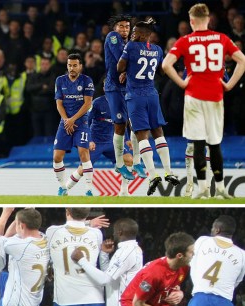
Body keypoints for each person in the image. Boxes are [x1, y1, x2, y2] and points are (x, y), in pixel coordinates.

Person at [162, 3, 245, 199]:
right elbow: (242, 60)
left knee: (198, 144)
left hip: (193, 97)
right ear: (208, 19)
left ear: (191, 21)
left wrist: (182, 83)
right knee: (214, 144)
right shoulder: (222, 38)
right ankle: (221, 188)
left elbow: (166, 64)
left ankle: (202, 189)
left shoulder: (185, 41)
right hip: (215, 96)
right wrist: (230, 84)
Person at [117, 20, 180, 196]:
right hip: (152, 94)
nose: (132, 34)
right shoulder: (158, 50)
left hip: (135, 96)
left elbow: (119, 67)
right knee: (158, 132)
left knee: (142, 135)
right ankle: (169, 171)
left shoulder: (130, 47)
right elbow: (161, 71)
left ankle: (153, 175)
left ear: (145, 34)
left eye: (135, 32)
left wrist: (126, 69)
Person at [65, 92, 134, 196]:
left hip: (112, 142)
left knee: (129, 160)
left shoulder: (121, 103)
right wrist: (90, 140)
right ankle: (64, 189)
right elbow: (85, 122)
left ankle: (124, 191)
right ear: (104, 88)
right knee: (83, 169)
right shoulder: (97, 103)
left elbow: (122, 123)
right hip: (96, 142)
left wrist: (127, 139)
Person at [103, 14, 142, 182]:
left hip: (128, 88)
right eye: (121, 26)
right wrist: (126, 69)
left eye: (127, 26)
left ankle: (137, 162)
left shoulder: (130, 42)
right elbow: (121, 56)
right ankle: (119, 163)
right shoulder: (112, 37)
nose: (124, 29)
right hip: (114, 88)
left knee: (136, 125)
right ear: (115, 28)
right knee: (120, 125)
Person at [53, 53, 95, 196]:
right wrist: (67, 120)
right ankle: (63, 188)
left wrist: (73, 119)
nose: (72, 68)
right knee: (57, 157)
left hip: (82, 122)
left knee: (84, 153)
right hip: (65, 122)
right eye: (69, 65)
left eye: (75, 65)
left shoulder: (87, 81)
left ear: (80, 66)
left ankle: (89, 190)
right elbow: (59, 104)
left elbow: (88, 103)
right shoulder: (60, 80)